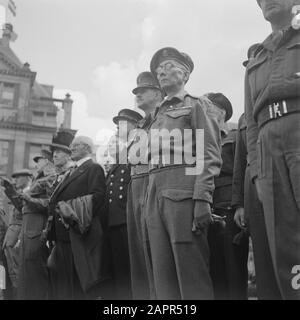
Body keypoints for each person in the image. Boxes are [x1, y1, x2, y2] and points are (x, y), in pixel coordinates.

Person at [144, 47, 222, 299]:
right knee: (163, 275)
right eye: (158, 71)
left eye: (168, 67)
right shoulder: (158, 114)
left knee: (191, 274)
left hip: (182, 193)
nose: (161, 73)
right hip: (155, 192)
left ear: (185, 74)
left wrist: (202, 198)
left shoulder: (198, 105)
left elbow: (208, 154)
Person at [245, 0, 300, 299]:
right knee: (284, 245)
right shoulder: (257, 57)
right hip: (267, 148)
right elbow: (251, 123)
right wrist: (256, 170)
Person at [48, 132, 107, 300]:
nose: (71, 147)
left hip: (78, 234)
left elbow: (98, 197)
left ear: (87, 148)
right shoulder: (72, 171)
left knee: (77, 283)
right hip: (63, 235)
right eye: (72, 145)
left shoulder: (93, 168)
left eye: (76, 145)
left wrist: (70, 209)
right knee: (64, 283)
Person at [232, 113, 281, 300]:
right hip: (252, 184)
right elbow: (239, 160)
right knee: (262, 255)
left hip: (284, 172)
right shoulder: (244, 118)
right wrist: (238, 204)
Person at [206, 93, 249, 300]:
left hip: (230, 209)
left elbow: (240, 172)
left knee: (234, 272)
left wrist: (238, 205)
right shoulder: (202, 141)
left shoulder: (234, 135)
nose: (203, 111)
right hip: (207, 211)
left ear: (222, 112)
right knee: (215, 272)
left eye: (209, 107)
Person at [127, 71, 164, 300]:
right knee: (139, 254)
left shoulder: (166, 118)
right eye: (136, 91)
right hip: (137, 187)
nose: (138, 94)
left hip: (156, 184)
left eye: (143, 90)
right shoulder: (140, 125)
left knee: (158, 253)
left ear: (158, 93)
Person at [106, 109, 143, 300]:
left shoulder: (138, 147)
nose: (116, 128)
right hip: (115, 219)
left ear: (134, 125)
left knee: (127, 271)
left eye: (120, 123)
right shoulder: (123, 152)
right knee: (117, 270)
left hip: (127, 218)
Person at [17, 149, 56, 300]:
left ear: (47, 161)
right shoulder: (37, 179)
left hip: (38, 226)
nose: (36, 164)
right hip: (28, 226)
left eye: (39, 160)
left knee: (35, 266)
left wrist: (29, 199)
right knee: (26, 268)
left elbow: (51, 203)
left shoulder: (49, 177)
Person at [1, 169, 32, 299]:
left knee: (18, 274)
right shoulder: (20, 194)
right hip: (10, 240)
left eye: (18, 178)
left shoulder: (30, 193)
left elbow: (27, 218)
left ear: (28, 178)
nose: (15, 181)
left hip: (19, 239)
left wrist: (20, 238)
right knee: (11, 274)